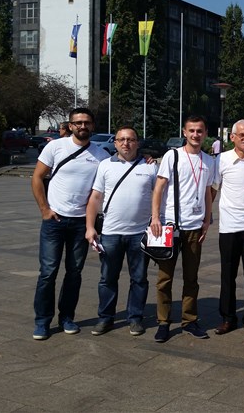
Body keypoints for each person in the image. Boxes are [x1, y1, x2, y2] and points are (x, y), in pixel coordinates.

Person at [30, 107, 110, 340]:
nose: (82, 126)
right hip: (54, 221)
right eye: (78, 122)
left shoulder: (101, 155)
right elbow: (37, 177)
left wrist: (146, 159)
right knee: (48, 272)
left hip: (81, 223)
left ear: (92, 125)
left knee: (74, 273)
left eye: (87, 122)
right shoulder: (55, 147)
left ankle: (67, 317)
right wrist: (45, 210)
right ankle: (42, 321)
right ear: (70, 125)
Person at [84, 126, 157, 337]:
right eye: (121, 139)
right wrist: (90, 227)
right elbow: (95, 197)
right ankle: (105, 318)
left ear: (137, 143)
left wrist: (157, 220)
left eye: (131, 139)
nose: (126, 143)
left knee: (139, 278)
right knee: (107, 278)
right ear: (115, 143)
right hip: (110, 233)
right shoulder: (105, 165)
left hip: (140, 233)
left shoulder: (149, 166)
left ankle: (135, 318)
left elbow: (158, 195)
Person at [150, 116, 214, 343]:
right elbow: (159, 188)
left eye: (200, 131)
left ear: (205, 133)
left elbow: (208, 193)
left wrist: (207, 220)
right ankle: (163, 322)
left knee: (191, 277)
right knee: (164, 278)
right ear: (184, 132)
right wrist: (155, 218)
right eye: (192, 130)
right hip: (170, 225)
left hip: (195, 226)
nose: (196, 134)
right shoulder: (173, 156)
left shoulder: (209, 161)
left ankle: (189, 320)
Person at [213, 120, 244, 337]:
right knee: (227, 275)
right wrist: (206, 218)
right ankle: (227, 318)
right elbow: (213, 189)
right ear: (232, 137)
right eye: (241, 135)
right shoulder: (221, 160)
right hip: (228, 227)